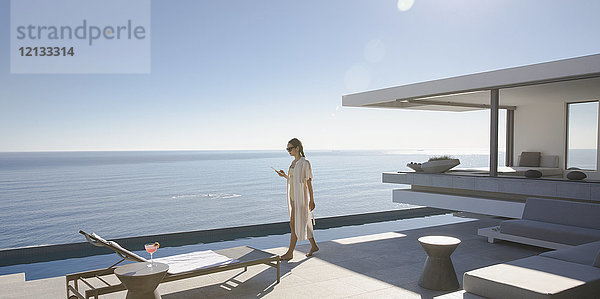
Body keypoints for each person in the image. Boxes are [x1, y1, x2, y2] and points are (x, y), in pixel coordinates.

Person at [275, 138, 319, 260]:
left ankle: (290, 252)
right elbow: (293, 180)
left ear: (297, 148)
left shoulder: (305, 163)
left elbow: (308, 182)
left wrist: (312, 200)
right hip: (293, 197)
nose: (288, 151)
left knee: (294, 223)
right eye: (287, 149)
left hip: (301, 198)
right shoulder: (293, 163)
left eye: (290, 148)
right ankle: (314, 246)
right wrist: (284, 176)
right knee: (304, 221)